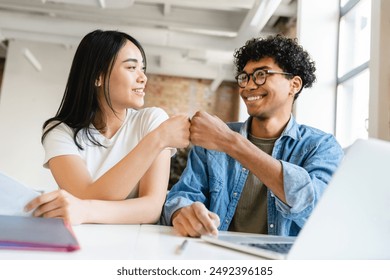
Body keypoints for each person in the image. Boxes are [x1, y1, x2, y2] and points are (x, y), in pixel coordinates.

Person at [162, 34, 344, 237]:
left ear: (294, 84)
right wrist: (182, 213)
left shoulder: (321, 146)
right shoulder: (211, 139)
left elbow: (314, 208)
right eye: (245, 77)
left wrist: (230, 142)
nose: (248, 86)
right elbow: (184, 195)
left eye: (261, 74)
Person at [24, 30, 190, 224]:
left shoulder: (152, 120)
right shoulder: (59, 132)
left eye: (142, 69)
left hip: (136, 244)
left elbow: (151, 209)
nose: (143, 77)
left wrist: (86, 210)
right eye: (131, 67)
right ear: (98, 77)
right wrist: (157, 140)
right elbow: (85, 198)